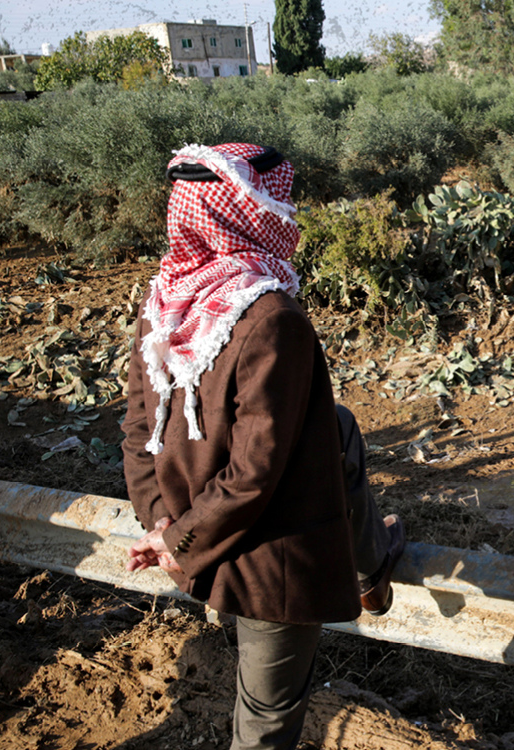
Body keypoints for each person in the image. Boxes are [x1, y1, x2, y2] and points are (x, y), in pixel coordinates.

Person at [121, 142, 405, 750]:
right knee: (265, 723)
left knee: (339, 424)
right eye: (274, 197)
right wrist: (177, 540)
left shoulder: (164, 305)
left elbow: (137, 431)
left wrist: (163, 525)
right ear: (246, 210)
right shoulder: (272, 317)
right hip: (267, 560)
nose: (285, 209)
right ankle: (370, 569)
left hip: (191, 534)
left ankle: (370, 565)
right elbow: (253, 472)